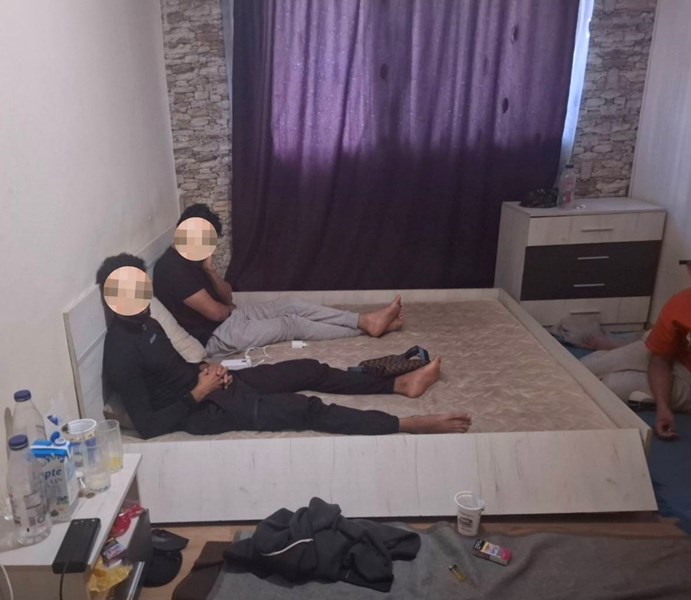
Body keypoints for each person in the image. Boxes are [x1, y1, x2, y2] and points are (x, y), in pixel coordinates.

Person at [98, 254, 471, 440]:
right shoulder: (120, 352)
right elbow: (147, 426)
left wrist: (208, 371)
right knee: (305, 409)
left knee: (308, 369)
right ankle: (405, 424)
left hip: (212, 385)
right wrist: (199, 392)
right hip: (200, 413)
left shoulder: (148, 321)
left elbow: (177, 368)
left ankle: (398, 384)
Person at [153, 204, 403, 356]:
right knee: (290, 325)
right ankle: (364, 328)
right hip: (216, 336)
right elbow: (217, 313)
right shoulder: (172, 269)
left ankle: (364, 321)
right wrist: (228, 309)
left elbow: (228, 296)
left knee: (290, 304)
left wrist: (209, 270)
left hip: (230, 318)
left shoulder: (193, 259)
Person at [581, 288, 691, 441]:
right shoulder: (681, 302)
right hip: (674, 355)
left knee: (611, 386)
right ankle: (616, 348)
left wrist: (663, 409)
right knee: (585, 368)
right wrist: (663, 406)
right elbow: (660, 359)